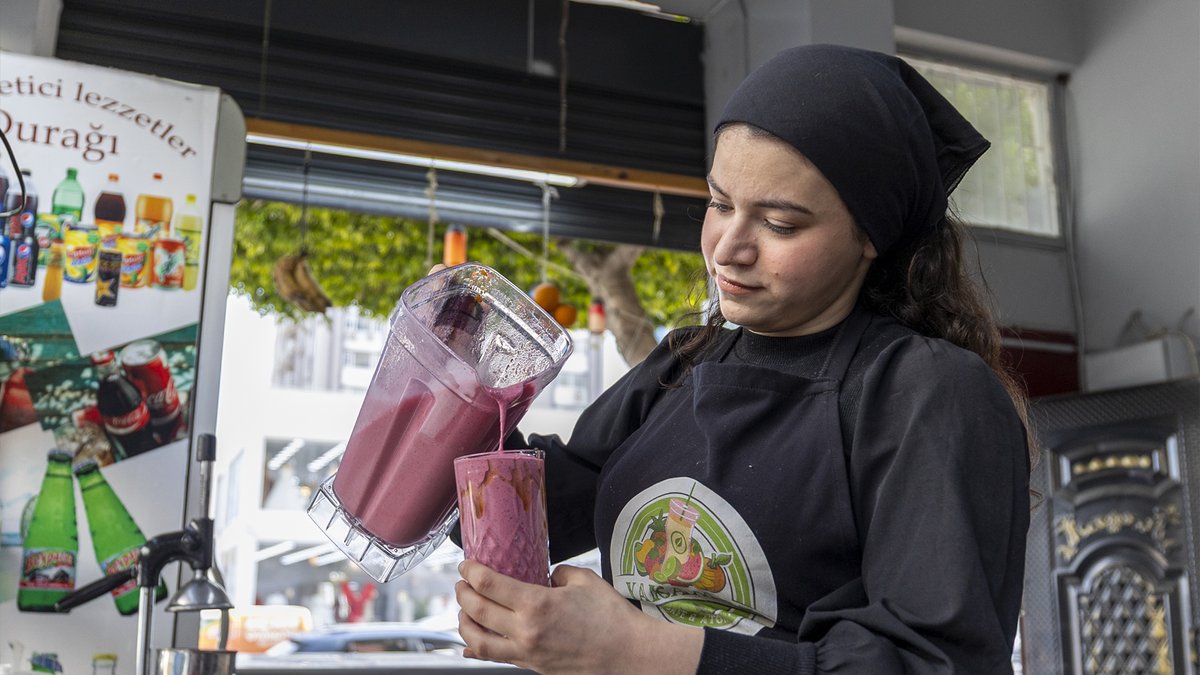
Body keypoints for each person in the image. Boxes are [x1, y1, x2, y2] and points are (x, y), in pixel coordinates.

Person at [453, 43, 1032, 674]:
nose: (728, 249)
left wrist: (633, 649)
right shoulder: (682, 365)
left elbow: (933, 662)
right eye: (719, 203)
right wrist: (445, 398)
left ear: (872, 235)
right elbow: (535, 506)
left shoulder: (928, 393)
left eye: (779, 224)